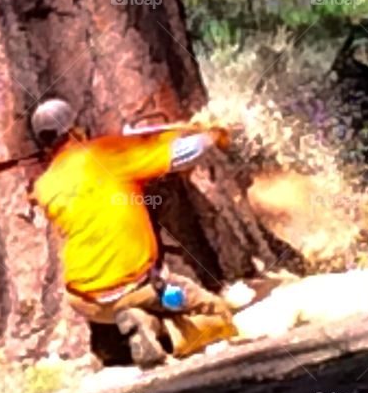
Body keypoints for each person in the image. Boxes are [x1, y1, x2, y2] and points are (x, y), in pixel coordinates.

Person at [28, 98, 239, 368]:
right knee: (218, 315)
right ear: (76, 129)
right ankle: (162, 332)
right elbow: (181, 154)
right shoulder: (105, 154)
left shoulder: (45, 185)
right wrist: (212, 135)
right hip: (139, 285)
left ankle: (141, 323)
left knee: (134, 302)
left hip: (85, 298)